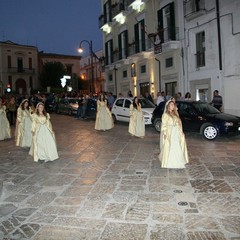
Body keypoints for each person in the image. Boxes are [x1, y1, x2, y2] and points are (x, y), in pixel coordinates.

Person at [159, 99, 189, 168]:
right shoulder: (165, 115)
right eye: (171, 105)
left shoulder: (175, 113)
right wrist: (165, 134)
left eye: (173, 105)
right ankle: (169, 162)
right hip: (170, 132)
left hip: (176, 132)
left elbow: (179, 123)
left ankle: (178, 160)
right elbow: (164, 125)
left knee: (177, 145)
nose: (173, 106)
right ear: (168, 106)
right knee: (170, 146)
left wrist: (181, 132)